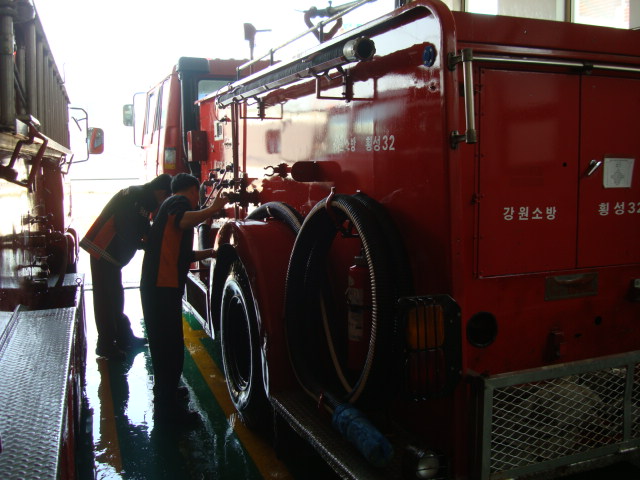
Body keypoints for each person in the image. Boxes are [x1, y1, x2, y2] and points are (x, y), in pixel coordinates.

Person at [140, 173, 227, 424]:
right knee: (169, 347)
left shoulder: (168, 207)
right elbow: (183, 220)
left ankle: (166, 393)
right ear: (191, 190)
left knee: (164, 345)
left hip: (158, 287)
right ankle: (169, 411)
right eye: (197, 195)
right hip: (161, 287)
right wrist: (213, 208)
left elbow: (184, 254)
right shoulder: (178, 202)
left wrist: (211, 252)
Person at [80, 174, 172, 360]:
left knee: (116, 295)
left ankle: (124, 337)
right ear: (162, 192)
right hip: (102, 249)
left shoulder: (143, 199)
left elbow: (142, 226)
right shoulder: (135, 197)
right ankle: (105, 345)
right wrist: (143, 244)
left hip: (112, 256)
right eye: (166, 197)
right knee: (106, 299)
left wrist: (149, 239)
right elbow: (126, 227)